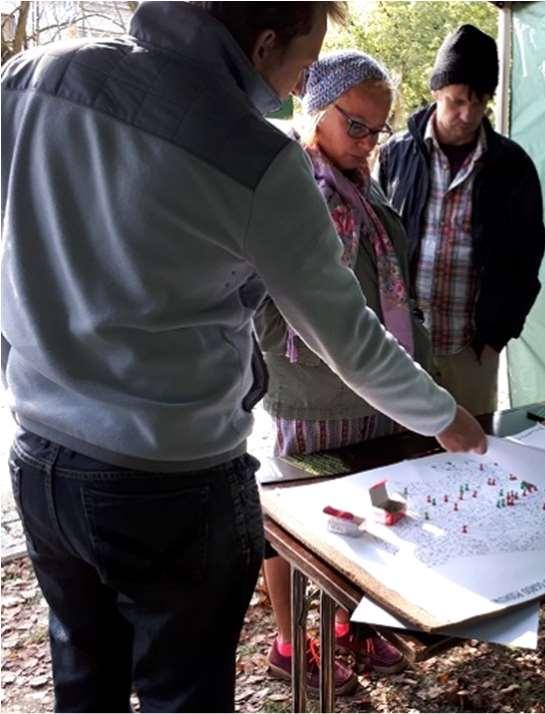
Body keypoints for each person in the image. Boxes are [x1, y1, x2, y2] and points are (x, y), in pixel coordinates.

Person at [0, 3, 486, 711]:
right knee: (184, 693)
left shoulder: (35, 77)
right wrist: (448, 417)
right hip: (169, 477)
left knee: (84, 682)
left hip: (44, 458)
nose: (298, 85)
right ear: (263, 45)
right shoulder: (253, 154)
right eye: (303, 61)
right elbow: (345, 336)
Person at [255, 50, 426, 696]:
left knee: (364, 516)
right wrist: (313, 355)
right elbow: (266, 304)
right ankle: (291, 640)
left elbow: (392, 283)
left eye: (378, 130)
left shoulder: (362, 180)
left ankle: (350, 624)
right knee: (300, 526)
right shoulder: (291, 183)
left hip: (372, 391)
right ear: (315, 111)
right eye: (355, 126)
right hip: (309, 396)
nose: (367, 143)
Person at [376, 24, 545, 416]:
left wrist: (497, 336)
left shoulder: (512, 166)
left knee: (473, 453)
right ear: (436, 90)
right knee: (403, 449)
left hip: (473, 349)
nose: (467, 114)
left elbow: (529, 255)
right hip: (405, 344)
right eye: (456, 101)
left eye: (480, 102)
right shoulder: (395, 155)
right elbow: (378, 244)